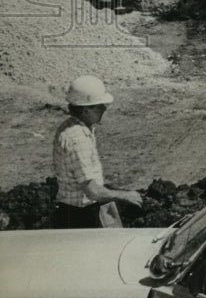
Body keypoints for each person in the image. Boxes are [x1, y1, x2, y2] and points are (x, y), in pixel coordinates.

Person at [52, 76, 143, 229]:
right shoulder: (77, 139)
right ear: (86, 110)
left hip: (85, 210)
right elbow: (92, 191)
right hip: (79, 218)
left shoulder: (79, 128)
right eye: (100, 105)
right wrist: (125, 196)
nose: (104, 109)